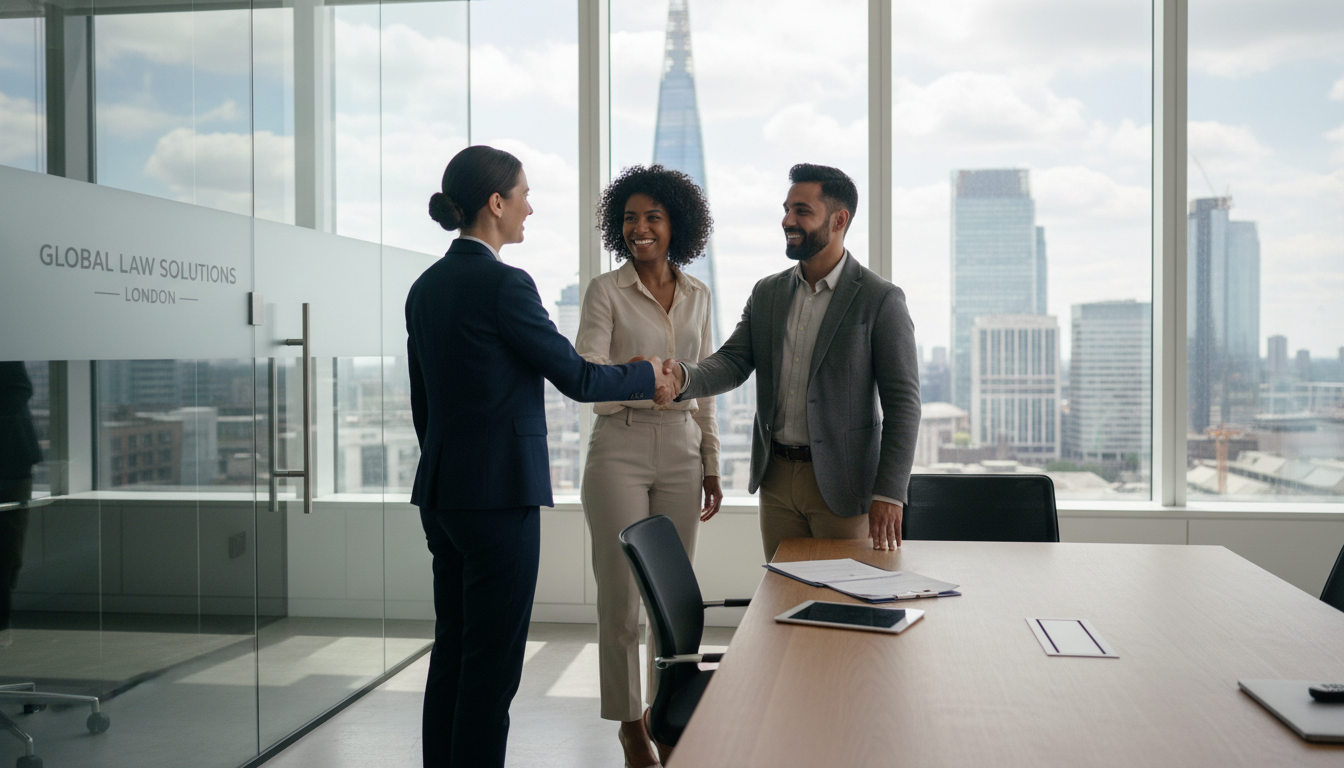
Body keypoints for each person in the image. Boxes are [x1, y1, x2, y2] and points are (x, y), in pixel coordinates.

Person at [407, 145, 678, 768]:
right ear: (495, 202)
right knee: (492, 668)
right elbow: (576, 377)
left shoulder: (426, 287)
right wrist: (645, 375)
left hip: (443, 494)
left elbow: (424, 403)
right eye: (524, 195)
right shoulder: (505, 284)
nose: (530, 207)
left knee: (452, 652)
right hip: (498, 497)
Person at [665, 163, 921, 561]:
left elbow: (903, 405)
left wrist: (889, 492)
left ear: (839, 220)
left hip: (844, 484)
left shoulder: (880, 299)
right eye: (786, 209)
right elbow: (733, 362)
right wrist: (682, 376)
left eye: (802, 211)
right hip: (777, 478)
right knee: (783, 591)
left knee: (844, 596)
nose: (787, 220)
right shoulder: (767, 292)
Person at [576, 165, 720, 768]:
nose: (640, 228)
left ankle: (667, 717)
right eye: (630, 218)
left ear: (675, 225)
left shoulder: (699, 295)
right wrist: (644, 379)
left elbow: (704, 384)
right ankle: (630, 726)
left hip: (682, 448)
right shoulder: (605, 291)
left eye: (653, 218)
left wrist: (711, 461)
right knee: (622, 602)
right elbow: (588, 374)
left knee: (673, 604)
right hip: (621, 448)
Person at [0, 362, 41, 642]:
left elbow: (18, 391)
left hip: (12, 461)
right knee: (8, 551)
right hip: (14, 458)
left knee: (7, 553)